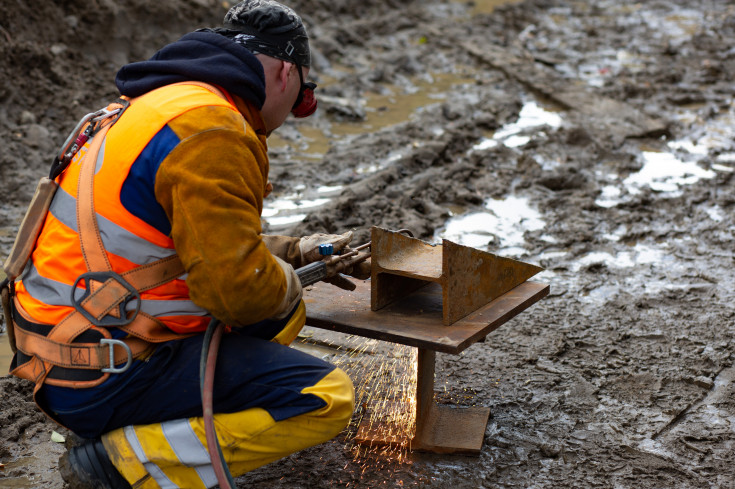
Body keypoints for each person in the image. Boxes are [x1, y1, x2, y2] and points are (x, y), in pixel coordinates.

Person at [3, 1, 366, 488]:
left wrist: (299, 251)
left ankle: (127, 430)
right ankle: (121, 463)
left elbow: (175, 245)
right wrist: (287, 281)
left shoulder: (164, 104)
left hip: (57, 355)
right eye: (304, 91)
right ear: (286, 73)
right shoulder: (213, 129)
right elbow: (241, 294)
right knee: (327, 394)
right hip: (101, 374)